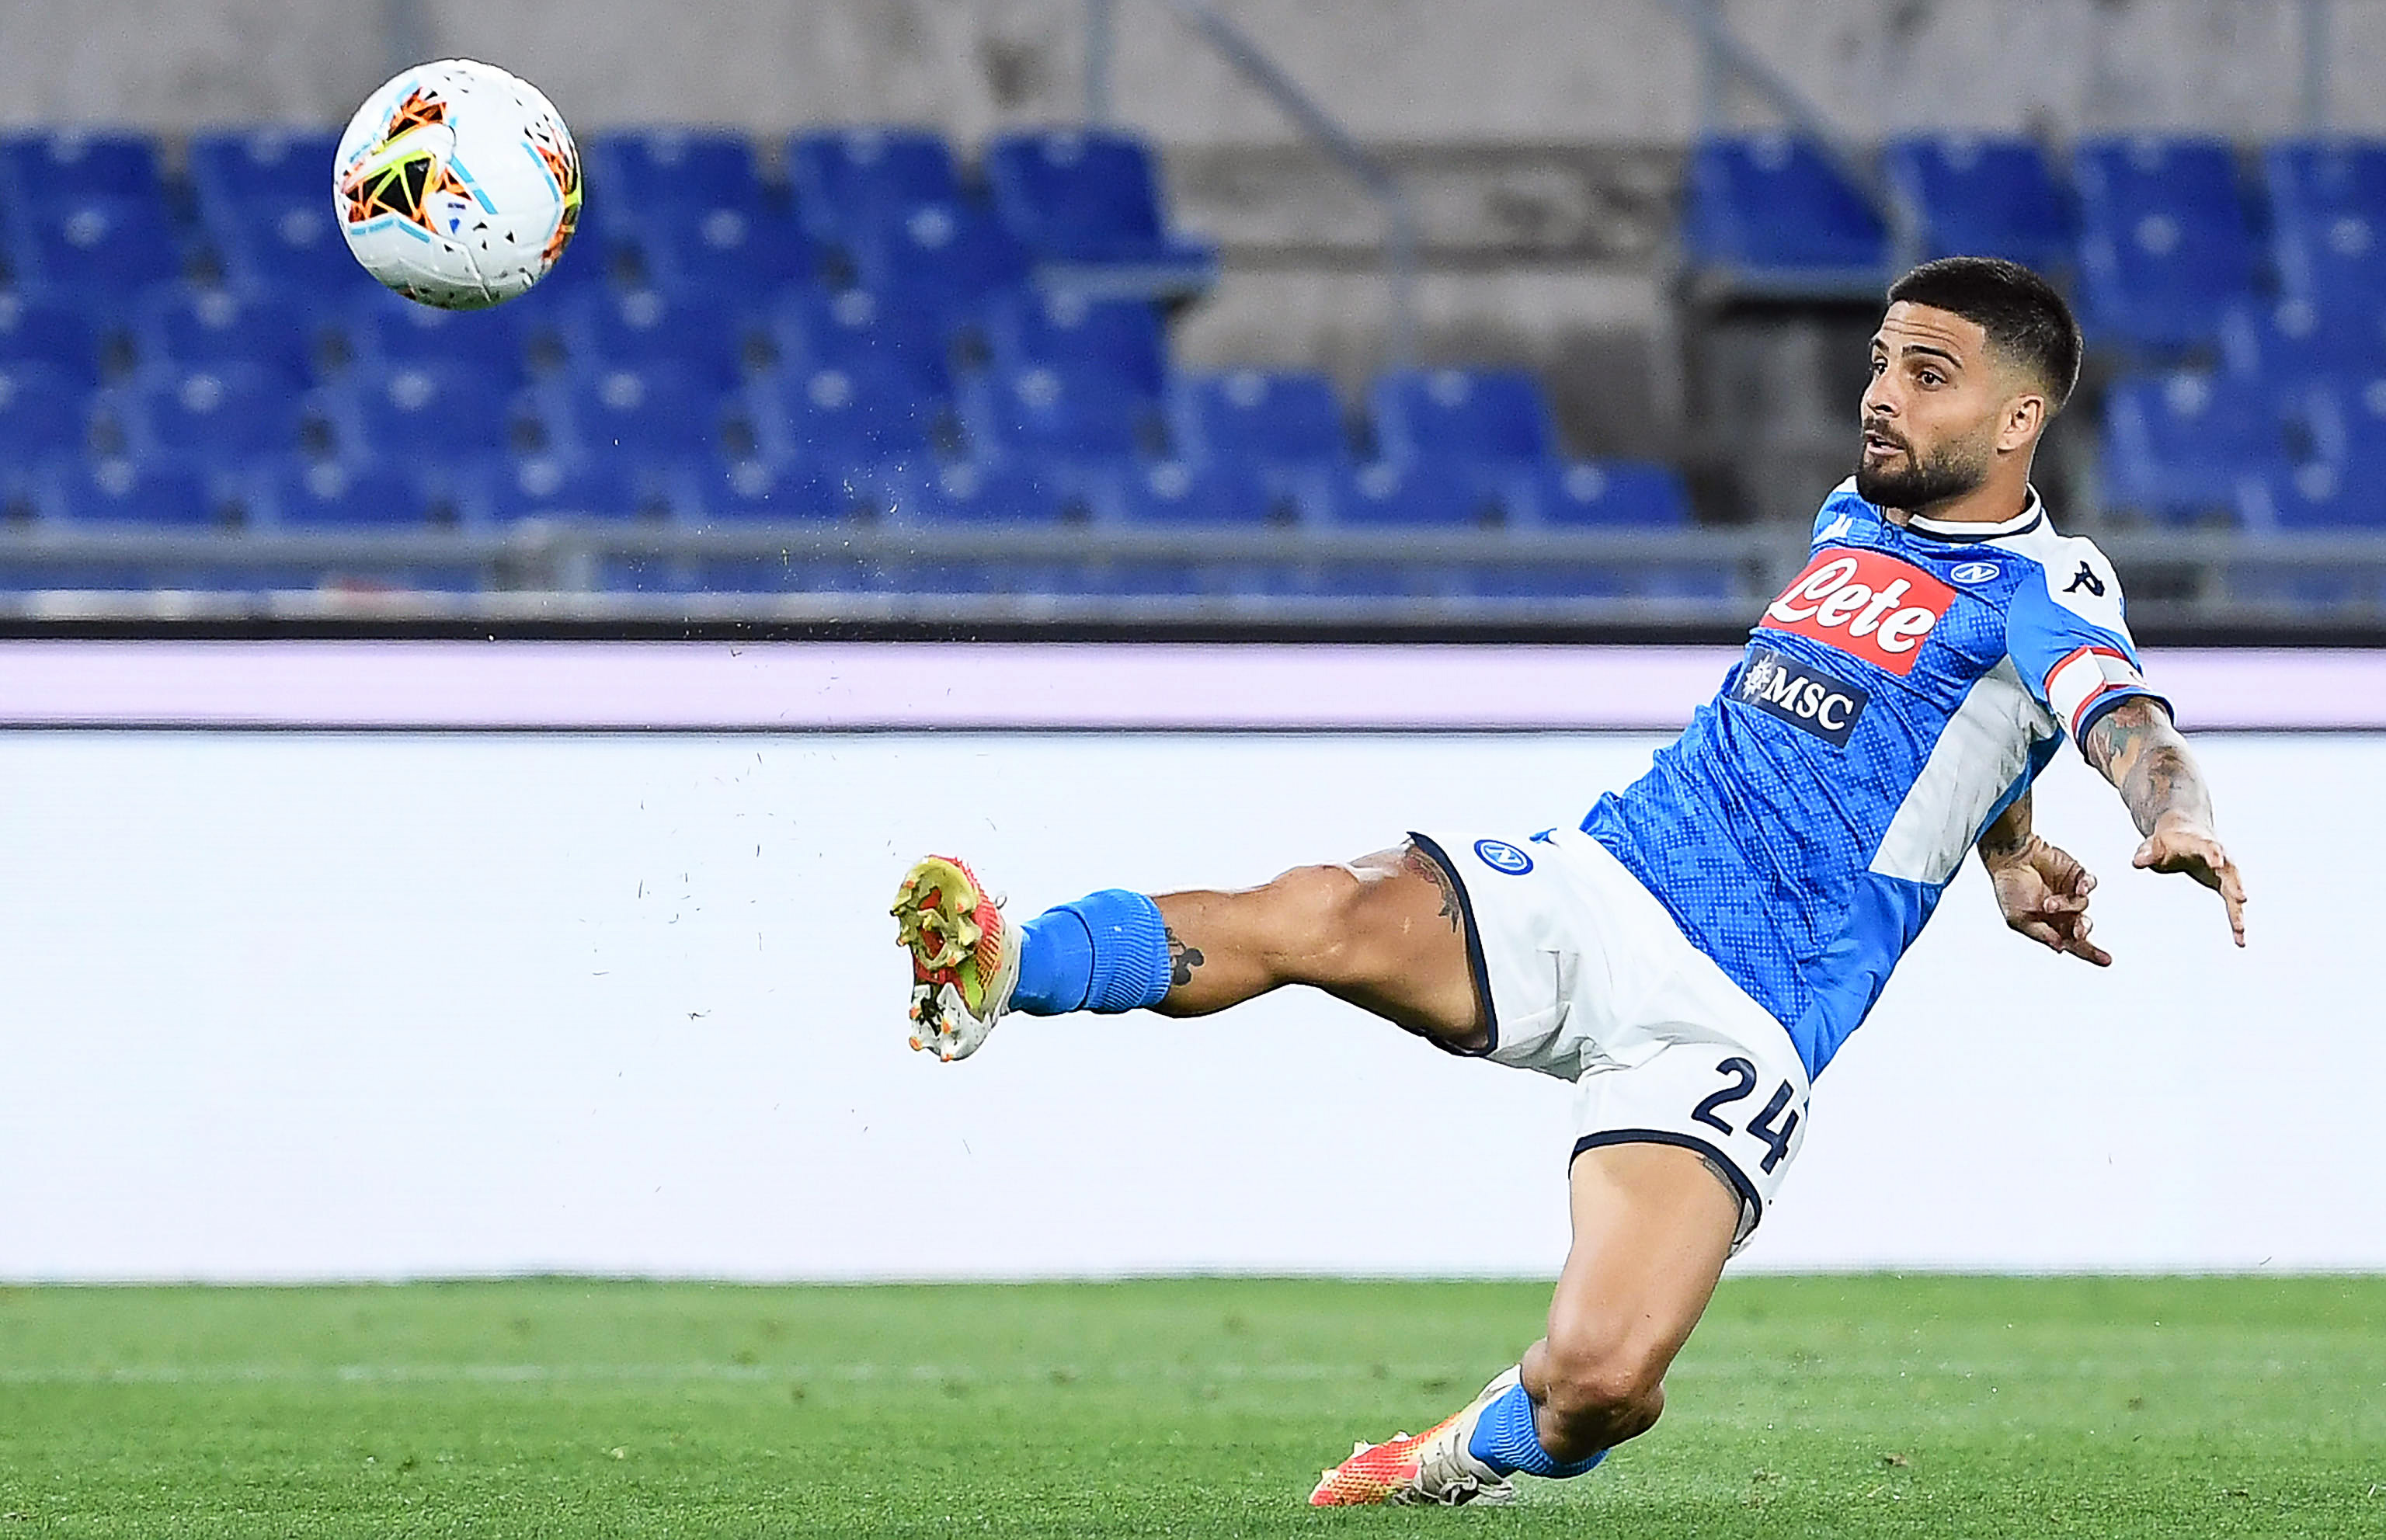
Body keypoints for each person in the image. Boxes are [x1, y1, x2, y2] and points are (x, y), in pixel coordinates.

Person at [889, 257, 2249, 1507]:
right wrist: (2006, 859)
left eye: (1926, 376)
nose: (1882, 396)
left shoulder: (2054, 583)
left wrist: (2170, 813)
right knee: (1322, 908)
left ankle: (1452, 1455)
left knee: (1600, 1380)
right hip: (1607, 881)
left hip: (1739, 1018)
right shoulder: (1856, 514)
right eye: (1882, 362)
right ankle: (1008, 963)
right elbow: (1958, 721)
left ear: (2020, 424)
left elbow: (2120, 720)